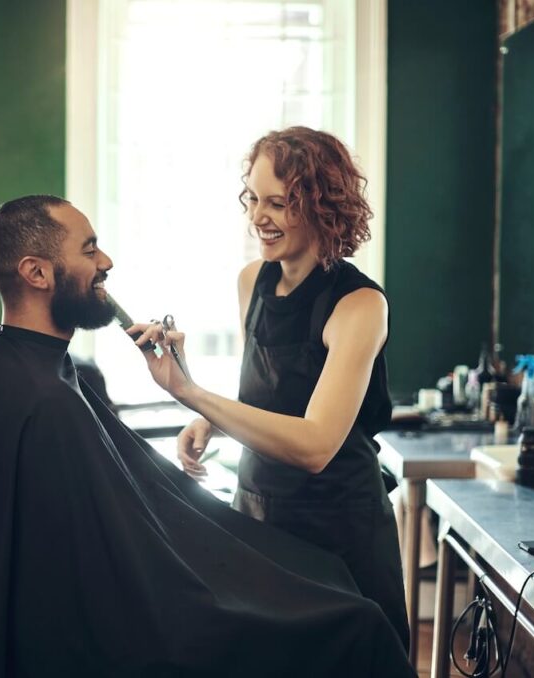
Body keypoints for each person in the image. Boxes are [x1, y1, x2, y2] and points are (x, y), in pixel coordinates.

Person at [0, 194, 414, 677]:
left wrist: (191, 395)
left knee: (328, 584)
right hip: (134, 631)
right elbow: (112, 568)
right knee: (355, 624)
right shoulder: (43, 399)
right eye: (89, 251)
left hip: (321, 520)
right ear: (37, 274)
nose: (106, 262)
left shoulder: (23, 372)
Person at [128, 127, 409, 648]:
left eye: (278, 203)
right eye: (253, 199)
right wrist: (209, 420)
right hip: (258, 511)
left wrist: (191, 394)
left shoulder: (359, 306)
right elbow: (267, 391)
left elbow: (315, 445)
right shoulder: (252, 280)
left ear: (324, 207)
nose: (258, 217)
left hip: (340, 527)